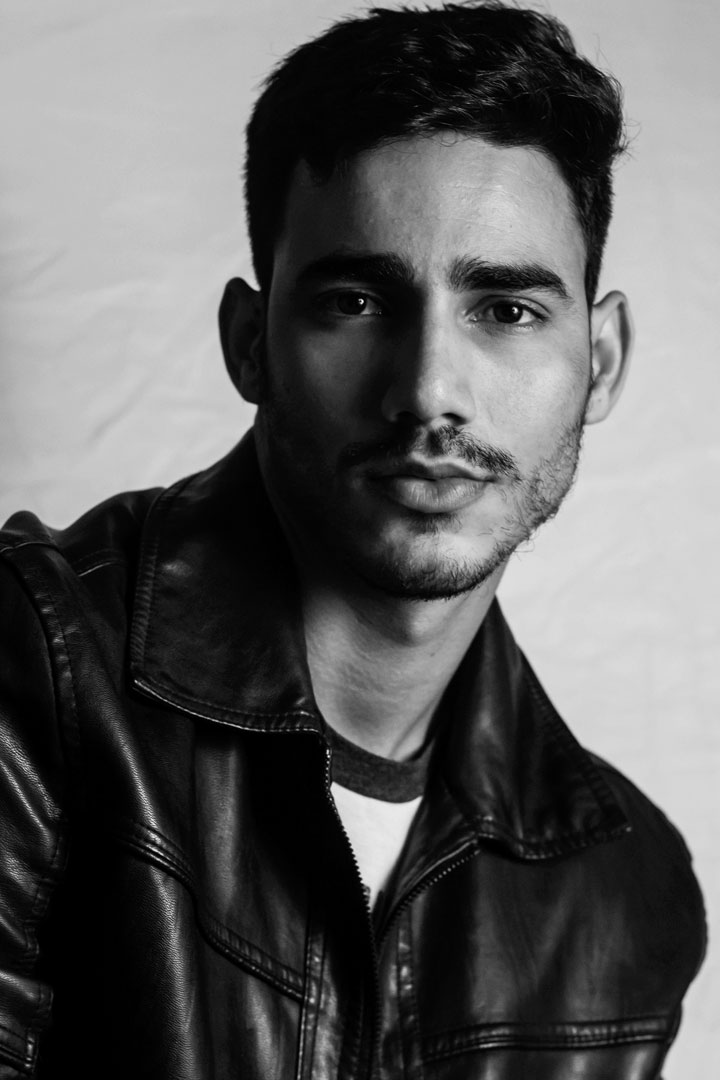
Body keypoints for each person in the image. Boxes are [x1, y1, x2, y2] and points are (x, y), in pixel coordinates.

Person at [0, 2, 706, 1077]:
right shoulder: (31, 671)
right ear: (250, 342)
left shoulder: (623, 895)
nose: (428, 391)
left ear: (599, 361)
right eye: (359, 300)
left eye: (507, 309)